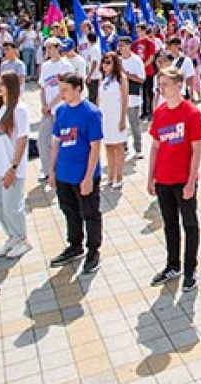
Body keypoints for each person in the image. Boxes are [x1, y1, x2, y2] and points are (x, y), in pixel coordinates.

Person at [146, 66, 201, 291]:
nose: (161, 88)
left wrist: (191, 181)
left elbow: (197, 149)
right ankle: (173, 265)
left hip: (183, 179)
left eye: (165, 84)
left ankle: (190, 269)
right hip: (163, 179)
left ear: (178, 85)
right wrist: (150, 177)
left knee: (189, 224)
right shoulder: (160, 112)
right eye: (159, 85)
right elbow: (155, 146)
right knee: (169, 224)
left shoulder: (191, 113)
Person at [47, 73, 104, 275]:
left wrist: (89, 177)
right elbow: (56, 143)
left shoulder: (91, 113)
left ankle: (93, 250)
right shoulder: (61, 111)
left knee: (90, 213)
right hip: (64, 173)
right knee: (69, 211)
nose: (61, 94)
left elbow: (95, 146)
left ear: (78, 89)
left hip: (83, 175)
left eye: (65, 90)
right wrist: (52, 170)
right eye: (60, 90)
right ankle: (75, 244)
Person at [0, 71, 31, 259]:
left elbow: (22, 139)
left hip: (11, 166)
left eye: (2, 84)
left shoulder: (19, 109)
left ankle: (22, 238)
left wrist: (14, 167)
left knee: (12, 205)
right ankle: (12, 236)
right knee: (0, 205)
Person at [36, 37, 73, 184]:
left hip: (61, 109)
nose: (49, 51)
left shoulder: (66, 66)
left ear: (58, 48)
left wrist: (51, 105)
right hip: (48, 111)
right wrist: (44, 104)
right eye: (47, 48)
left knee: (63, 142)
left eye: (51, 47)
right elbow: (43, 87)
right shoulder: (45, 66)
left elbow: (64, 90)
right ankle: (46, 170)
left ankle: (62, 169)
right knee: (42, 140)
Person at [96, 52, 130, 189]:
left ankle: (119, 176)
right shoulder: (103, 79)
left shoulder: (121, 78)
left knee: (118, 146)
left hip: (116, 115)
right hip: (105, 117)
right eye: (104, 62)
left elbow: (124, 99)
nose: (105, 65)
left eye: (108, 62)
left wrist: (122, 119)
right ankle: (110, 175)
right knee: (108, 146)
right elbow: (99, 99)